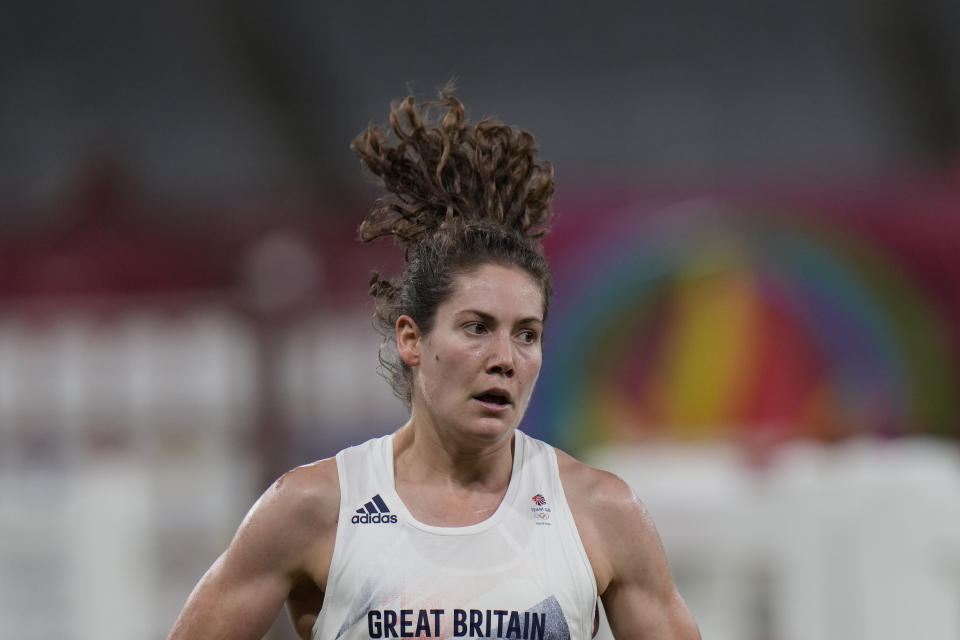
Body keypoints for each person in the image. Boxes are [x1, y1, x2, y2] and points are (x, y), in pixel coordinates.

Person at [167, 91, 700, 640]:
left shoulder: (600, 512)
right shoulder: (315, 507)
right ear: (411, 338)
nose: (504, 360)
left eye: (527, 335)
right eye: (476, 328)